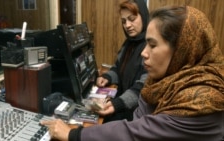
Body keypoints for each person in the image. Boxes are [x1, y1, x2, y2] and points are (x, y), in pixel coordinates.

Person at [41, 5, 224, 141]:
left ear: (182, 50)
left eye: (152, 45)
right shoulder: (164, 79)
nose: (145, 52)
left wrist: (74, 134)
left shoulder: (202, 101)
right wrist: (106, 77)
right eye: (123, 21)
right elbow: (119, 71)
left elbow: (136, 131)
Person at [95, 0, 148, 122]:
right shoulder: (128, 43)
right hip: (125, 106)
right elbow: (117, 68)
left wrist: (117, 104)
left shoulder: (150, 45)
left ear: (144, 17)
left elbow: (143, 87)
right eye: (124, 21)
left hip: (136, 115)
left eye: (132, 19)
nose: (127, 25)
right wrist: (107, 77)